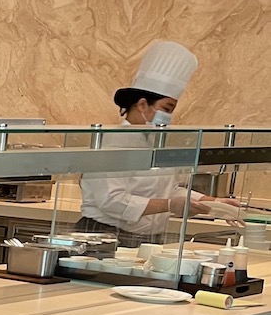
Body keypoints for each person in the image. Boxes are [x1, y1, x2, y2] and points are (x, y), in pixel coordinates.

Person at [79, 40, 231, 245]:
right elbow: (111, 201)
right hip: (104, 235)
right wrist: (169, 205)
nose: (168, 116)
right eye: (167, 108)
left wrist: (215, 203)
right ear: (143, 104)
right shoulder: (114, 141)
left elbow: (171, 190)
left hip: (146, 240)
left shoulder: (154, 141)